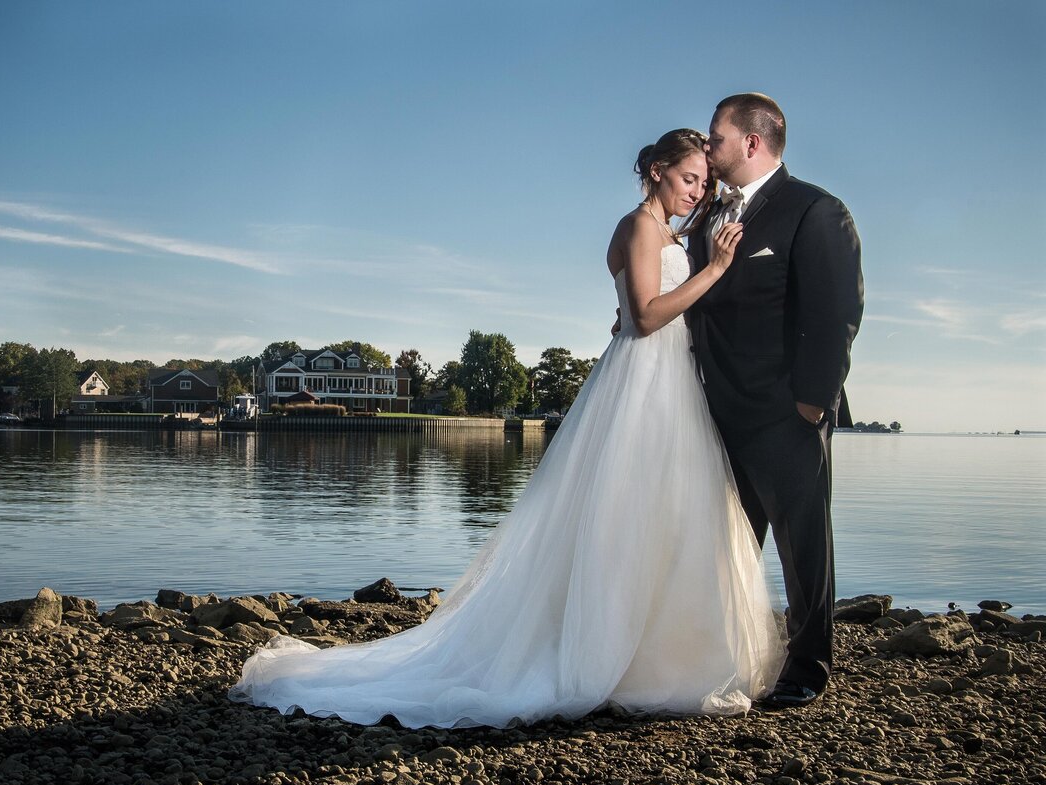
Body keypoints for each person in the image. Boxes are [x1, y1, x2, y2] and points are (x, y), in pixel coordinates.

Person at [228, 129, 784, 728]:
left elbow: (633, 307)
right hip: (646, 376)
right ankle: (612, 656)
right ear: (654, 170)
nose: (698, 192)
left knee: (656, 513)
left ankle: (654, 652)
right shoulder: (641, 226)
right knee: (627, 513)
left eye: (704, 182)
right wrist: (717, 268)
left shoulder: (659, 232)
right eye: (688, 179)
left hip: (665, 378)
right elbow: (646, 318)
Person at [687, 93, 864, 708]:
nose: (708, 149)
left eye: (717, 137)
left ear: (753, 143)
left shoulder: (815, 210)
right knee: (725, 545)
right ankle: (725, 655)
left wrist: (813, 403)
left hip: (786, 415)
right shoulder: (709, 219)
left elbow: (836, 312)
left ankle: (808, 669)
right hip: (713, 413)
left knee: (803, 544)